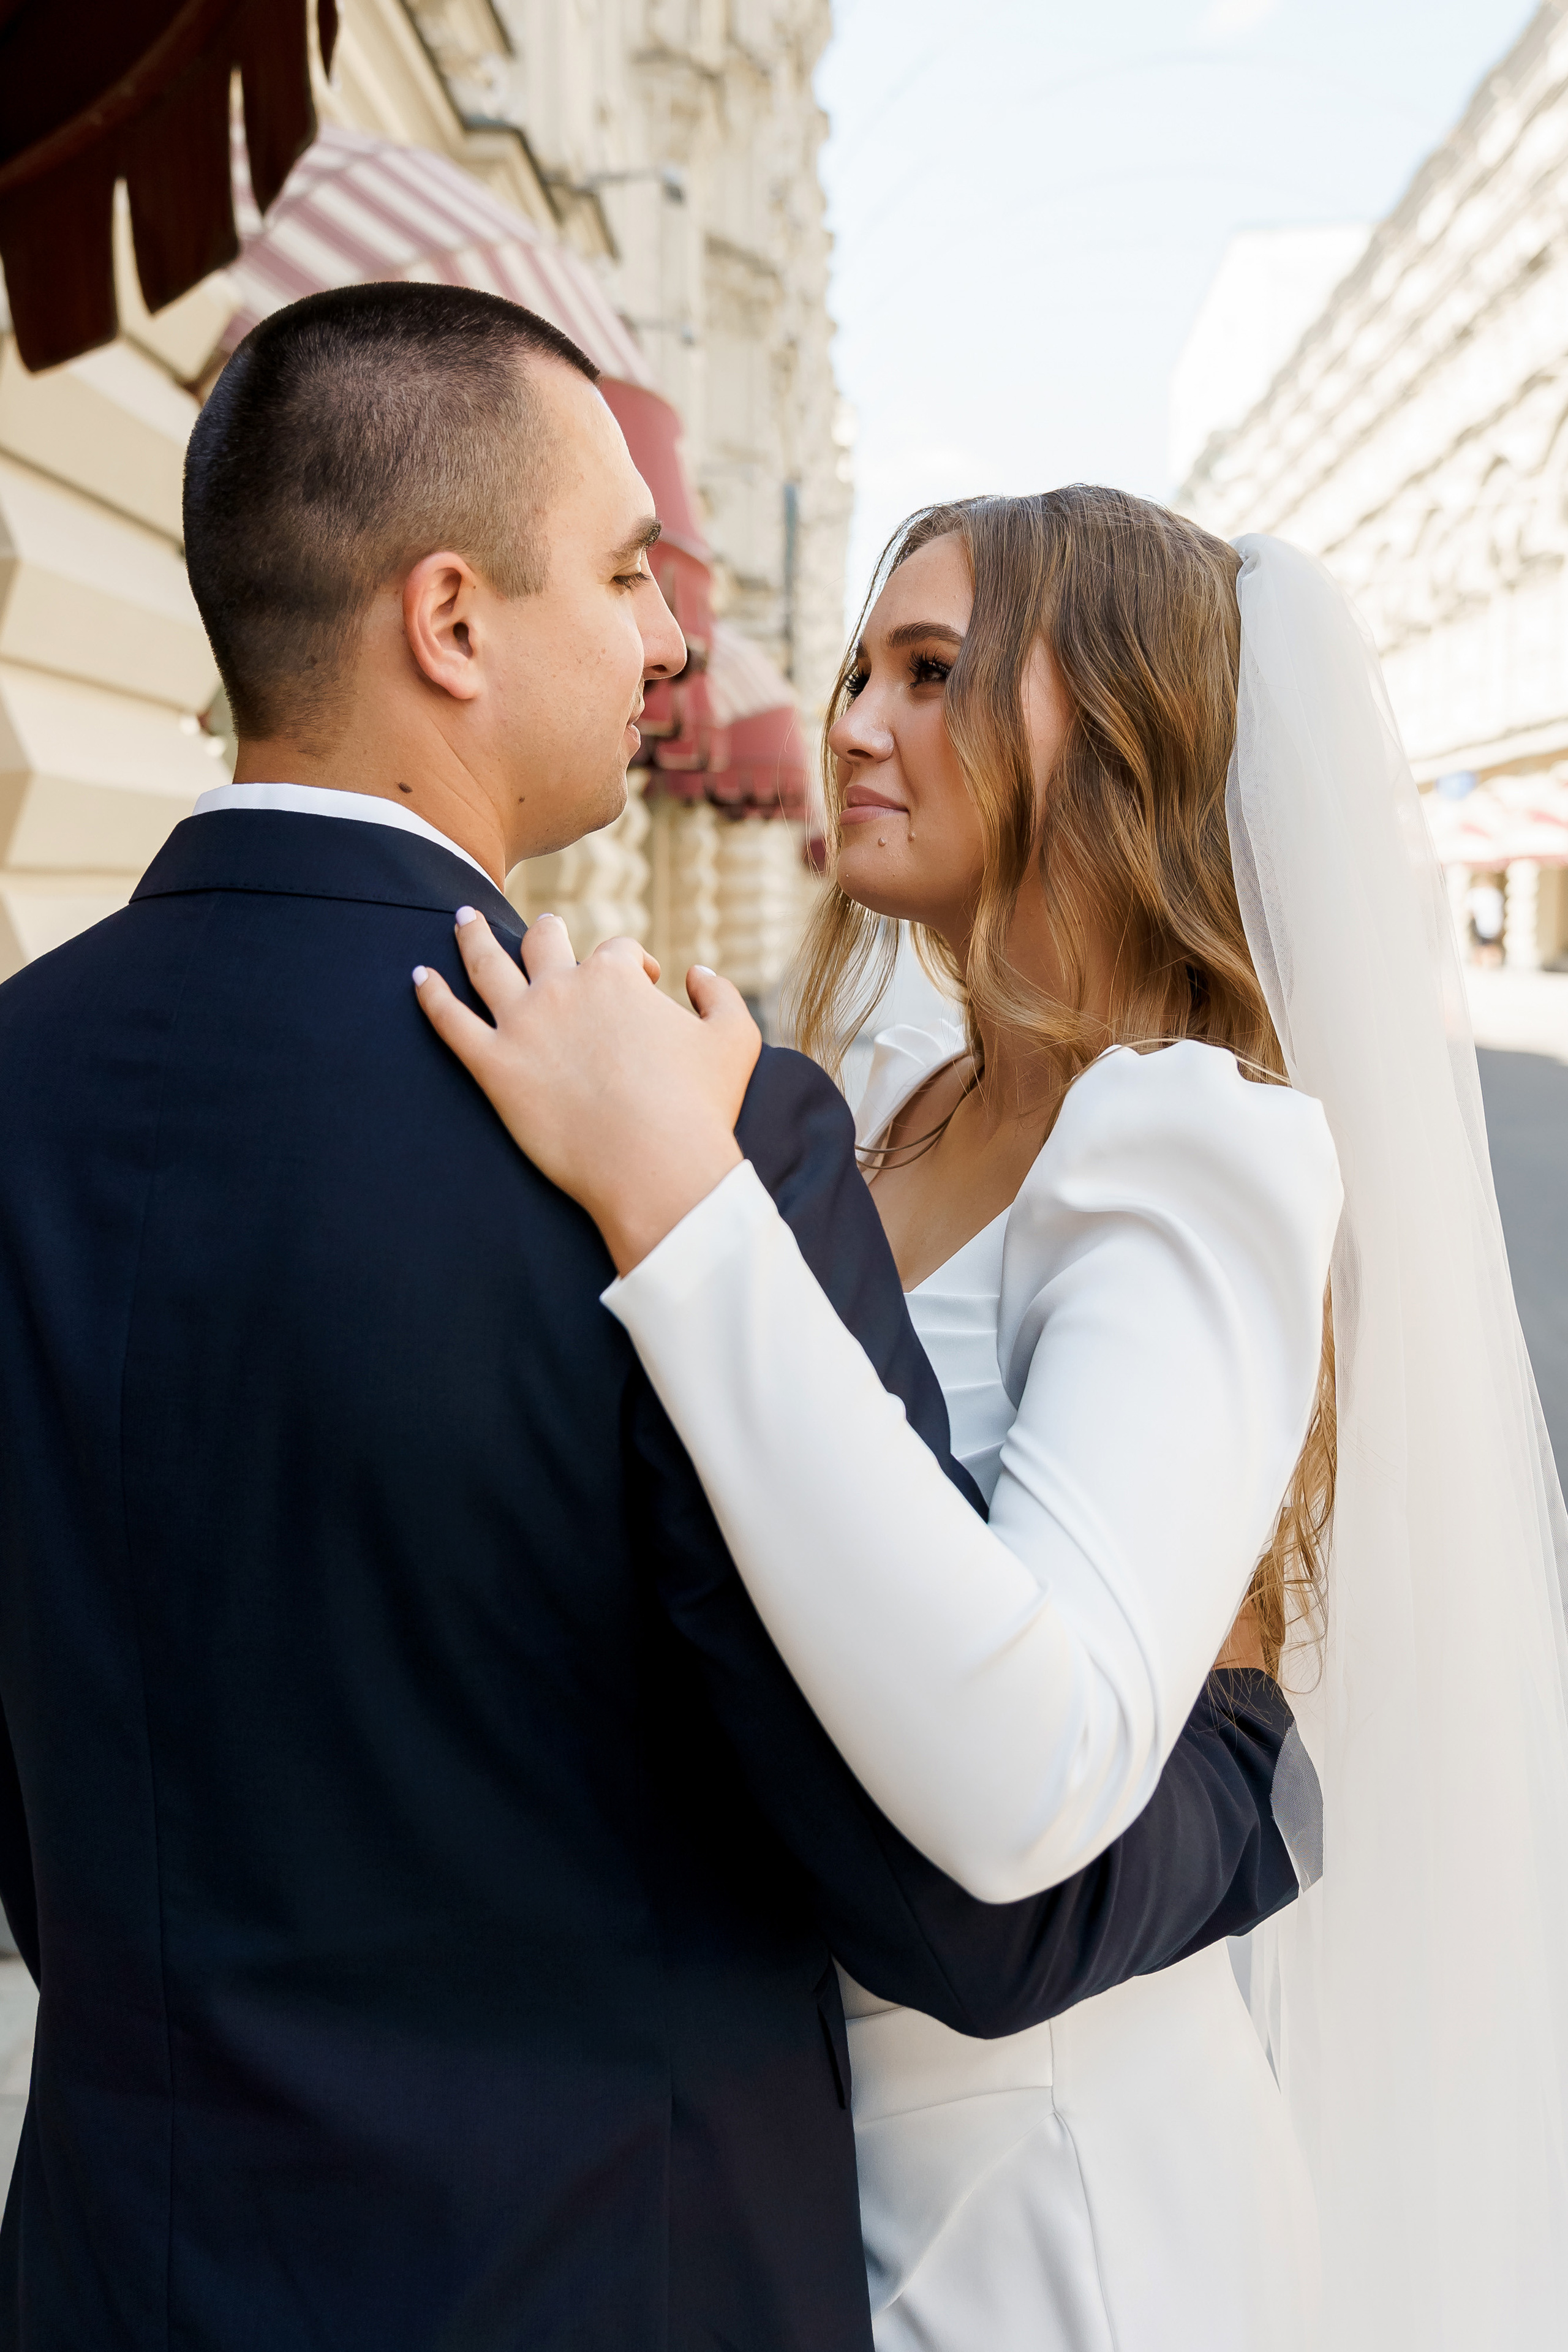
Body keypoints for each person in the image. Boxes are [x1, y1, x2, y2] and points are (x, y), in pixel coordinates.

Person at [0, 290, 1303, 2350]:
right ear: (451, 621)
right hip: (606, 2271)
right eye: (626, 573)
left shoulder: (22, 1079)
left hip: (114, 2264)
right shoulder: (703, 1139)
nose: (682, 645)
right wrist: (1243, 1784)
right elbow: (935, 1883)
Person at [417, 490, 1568, 2350]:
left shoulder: (1192, 1139)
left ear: (1110, 733)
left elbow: (1032, 1771)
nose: (855, 722)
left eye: (934, 675)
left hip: (1051, 2219)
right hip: (788, 2167)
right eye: (861, 669)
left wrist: (678, 1206)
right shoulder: (879, 1110)